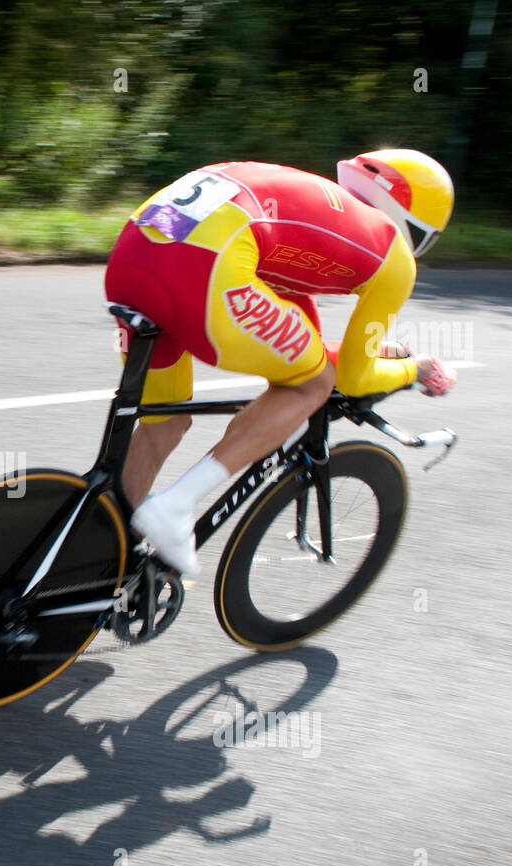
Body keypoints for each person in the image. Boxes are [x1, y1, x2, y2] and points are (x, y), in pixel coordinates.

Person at [105, 149, 457, 578]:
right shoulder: (393, 255)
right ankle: (176, 506)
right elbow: (351, 376)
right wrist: (416, 369)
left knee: (165, 423)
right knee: (312, 386)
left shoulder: (319, 207)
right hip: (207, 264)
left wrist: (370, 352)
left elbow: (300, 336)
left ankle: (99, 551)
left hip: (134, 253)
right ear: (415, 222)